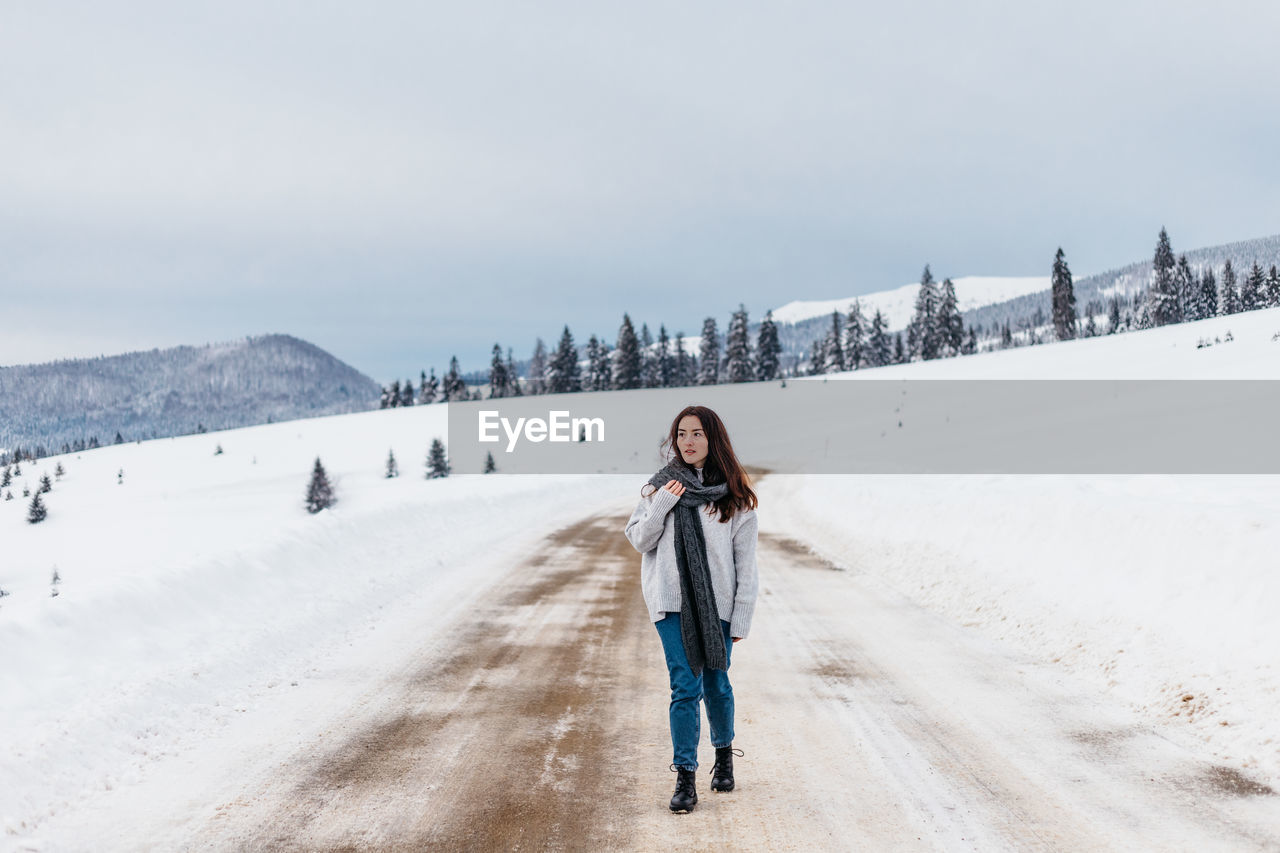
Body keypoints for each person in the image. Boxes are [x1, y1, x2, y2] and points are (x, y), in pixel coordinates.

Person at [623, 405, 759, 814]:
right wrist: (663, 504)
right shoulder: (657, 488)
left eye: (697, 433)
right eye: (681, 433)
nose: (688, 441)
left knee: (716, 683)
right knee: (685, 685)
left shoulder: (736, 499)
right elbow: (639, 541)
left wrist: (741, 615)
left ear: (712, 439)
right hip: (670, 603)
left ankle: (722, 756)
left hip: (717, 606)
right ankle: (685, 775)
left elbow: (745, 567)